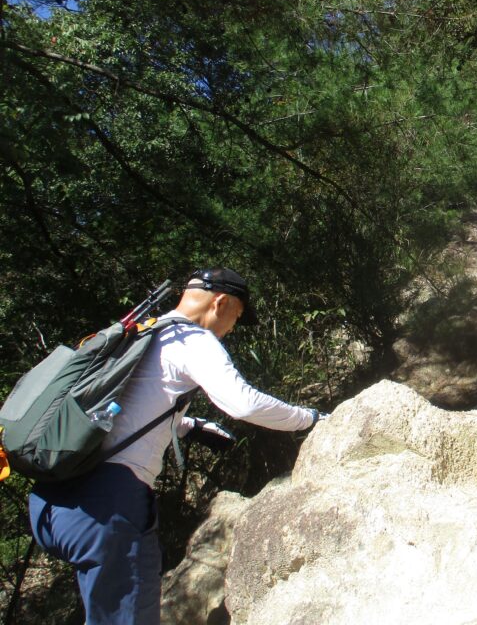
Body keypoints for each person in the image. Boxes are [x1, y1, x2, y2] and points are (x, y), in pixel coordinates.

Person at [28, 268, 328, 625]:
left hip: (52, 502)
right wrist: (309, 418)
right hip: (107, 507)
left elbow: (116, 410)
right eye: (237, 317)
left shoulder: (143, 330)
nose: (232, 328)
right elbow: (243, 403)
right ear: (221, 302)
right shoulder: (194, 340)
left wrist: (189, 426)